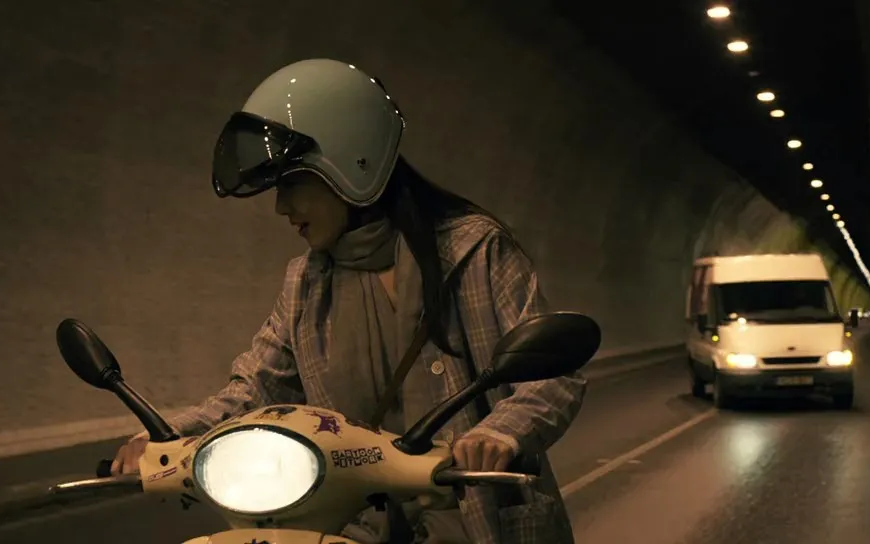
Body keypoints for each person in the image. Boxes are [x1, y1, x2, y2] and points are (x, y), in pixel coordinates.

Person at [107, 59, 585, 544]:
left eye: (292, 184)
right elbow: (256, 390)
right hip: (361, 527)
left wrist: (499, 432)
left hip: (477, 524)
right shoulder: (305, 283)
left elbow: (551, 377)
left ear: (353, 163)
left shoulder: (474, 251)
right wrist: (166, 436)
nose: (281, 207)